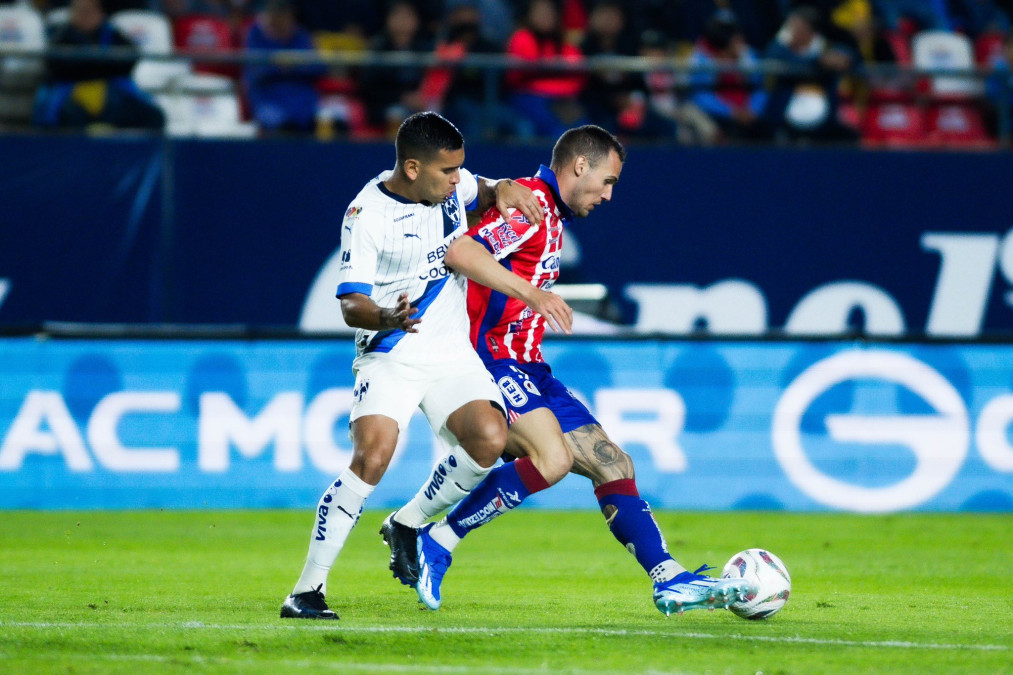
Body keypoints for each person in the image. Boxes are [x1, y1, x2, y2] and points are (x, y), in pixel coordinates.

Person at [381, 125, 755, 616]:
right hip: (489, 356)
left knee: (614, 463)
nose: (608, 194)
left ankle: (669, 579)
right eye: (607, 180)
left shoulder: (548, 212)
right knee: (552, 459)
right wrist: (532, 293)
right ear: (580, 166)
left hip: (530, 366)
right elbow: (461, 252)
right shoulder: (531, 207)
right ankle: (440, 540)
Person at [279, 111, 572, 620]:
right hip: (392, 350)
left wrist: (502, 187)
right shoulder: (366, 215)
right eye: (447, 172)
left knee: (488, 437)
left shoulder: (450, 189)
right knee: (373, 457)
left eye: (460, 171)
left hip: (450, 351)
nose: (458, 181)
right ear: (412, 168)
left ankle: (408, 523)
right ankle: (307, 591)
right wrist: (385, 315)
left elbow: (483, 189)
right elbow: (351, 304)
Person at [33, 0, 165, 131]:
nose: (84, 16)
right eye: (79, 11)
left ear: (99, 13)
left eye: (88, 11)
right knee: (65, 115)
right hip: (70, 92)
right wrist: (98, 64)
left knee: (152, 116)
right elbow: (56, 65)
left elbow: (129, 60)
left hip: (110, 89)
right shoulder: (62, 35)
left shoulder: (111, 33)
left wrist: (88, 64)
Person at [243, 0, 326, 135]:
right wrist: (279, 65)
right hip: (268, 99)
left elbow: (318, 67)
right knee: (285, 127)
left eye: (284, 13)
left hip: (302, 99)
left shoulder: (300, 35)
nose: (280, 18)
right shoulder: (255, 35)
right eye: (275, 13)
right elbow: (256, 71)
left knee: (332, 124)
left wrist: (292, 65)